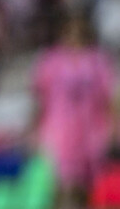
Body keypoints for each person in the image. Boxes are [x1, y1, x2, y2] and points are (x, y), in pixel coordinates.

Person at [31, 11, 118, 209]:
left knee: (90, 185)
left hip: (91, 129)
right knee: (61, 182)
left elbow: (109, 97)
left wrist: (113, 128)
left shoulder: (98, 60)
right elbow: (40, 97)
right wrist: (35, 129)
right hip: (60, 128)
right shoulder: (51, 60)